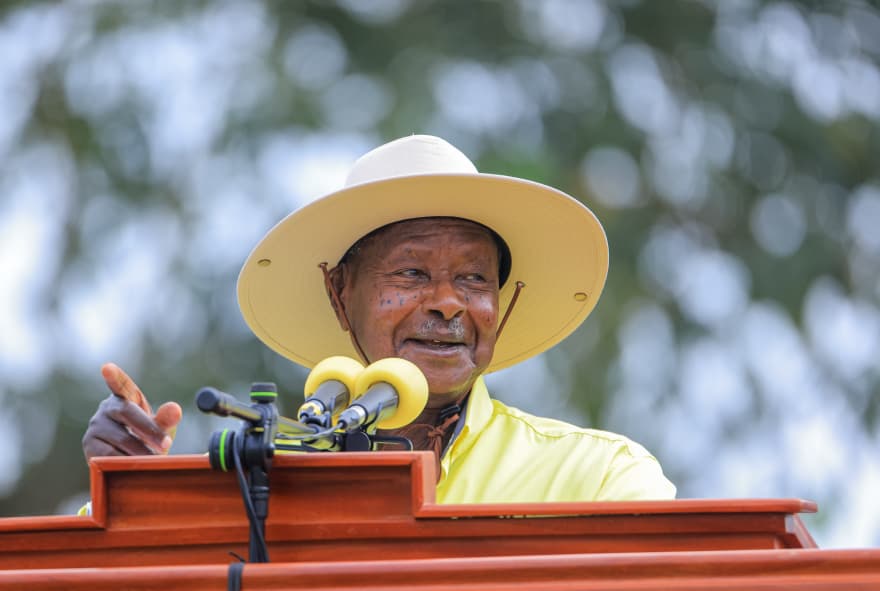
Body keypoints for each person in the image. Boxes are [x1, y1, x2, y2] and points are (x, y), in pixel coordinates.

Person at [83, 135, 675, 503]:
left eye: (474, 279)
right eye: (412, 273)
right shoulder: (260, 481)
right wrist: (127, 490)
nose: (448, 303)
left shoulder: (600, 476)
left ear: (502, 304)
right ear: (340, 294)